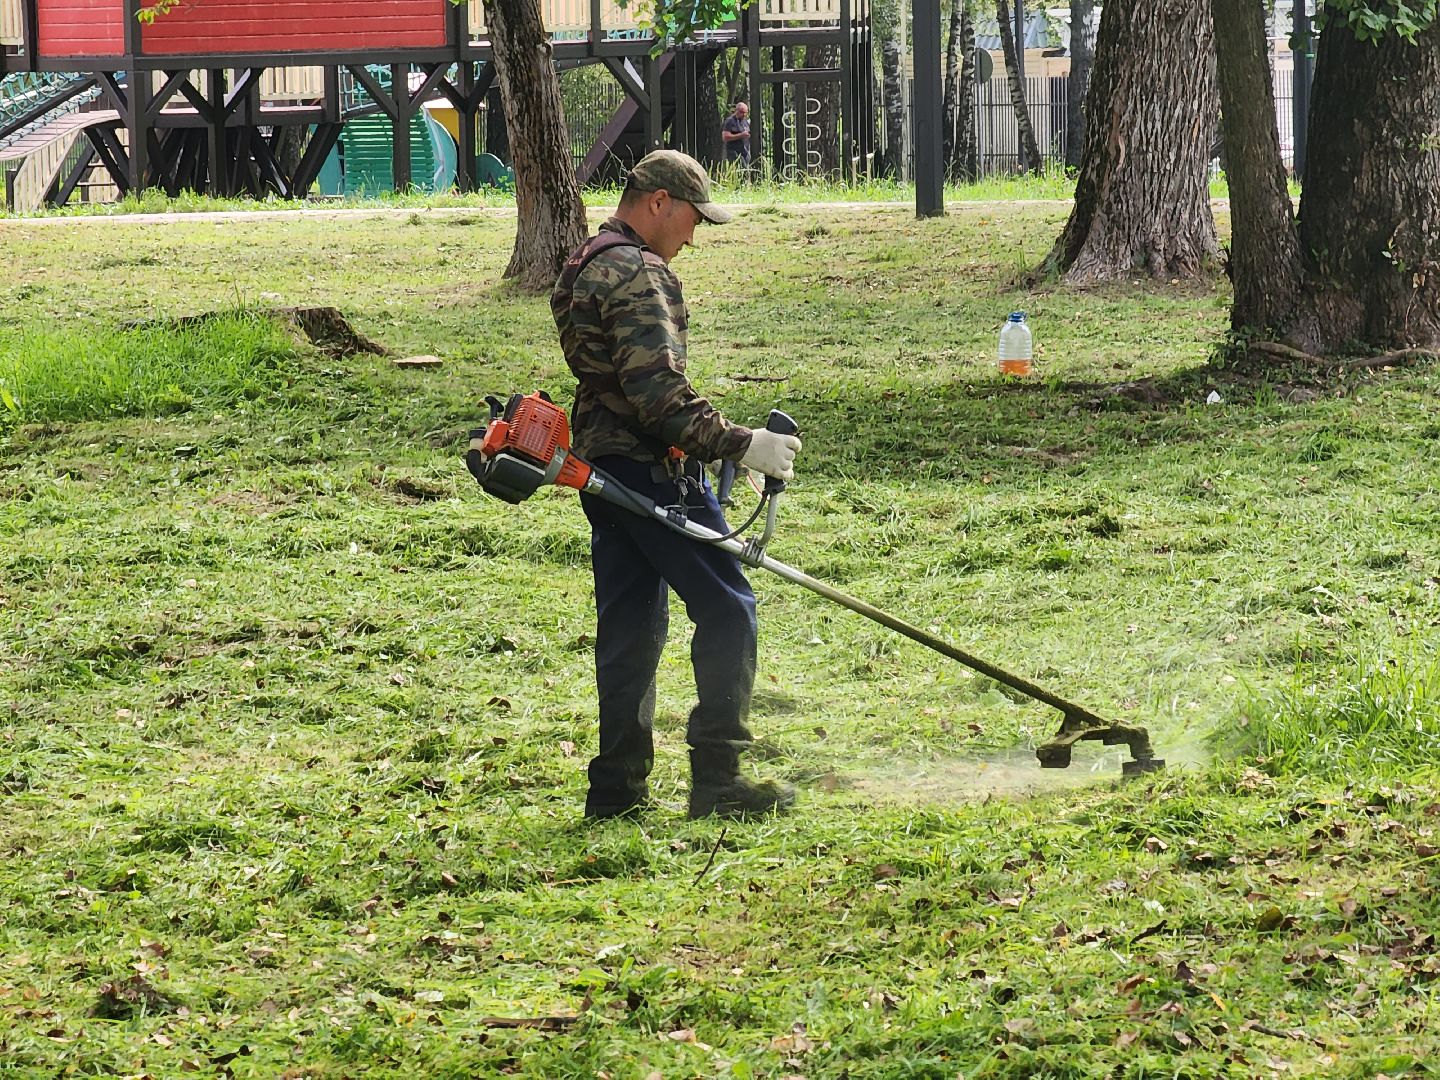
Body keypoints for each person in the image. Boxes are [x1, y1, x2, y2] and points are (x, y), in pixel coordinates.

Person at [551, 149, 801, 821]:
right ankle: (719, 779)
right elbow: (658, 395)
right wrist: (742, 443)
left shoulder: (585, 260)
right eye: (693, 219)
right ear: (658, 202)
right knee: (729, 607)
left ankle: (617, 790)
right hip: (653, 471)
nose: (693, 237)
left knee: (630, 626)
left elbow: (616, 382)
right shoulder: (638, 271)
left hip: (603, 467)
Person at [721, 102, 751, 168]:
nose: (744, 115)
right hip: (733, 153)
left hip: (745, 153)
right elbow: (725, 137)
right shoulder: (730, 121)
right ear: (737, 110)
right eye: (742, 112)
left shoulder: (745, 122)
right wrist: (740, 135)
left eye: (745, 113)